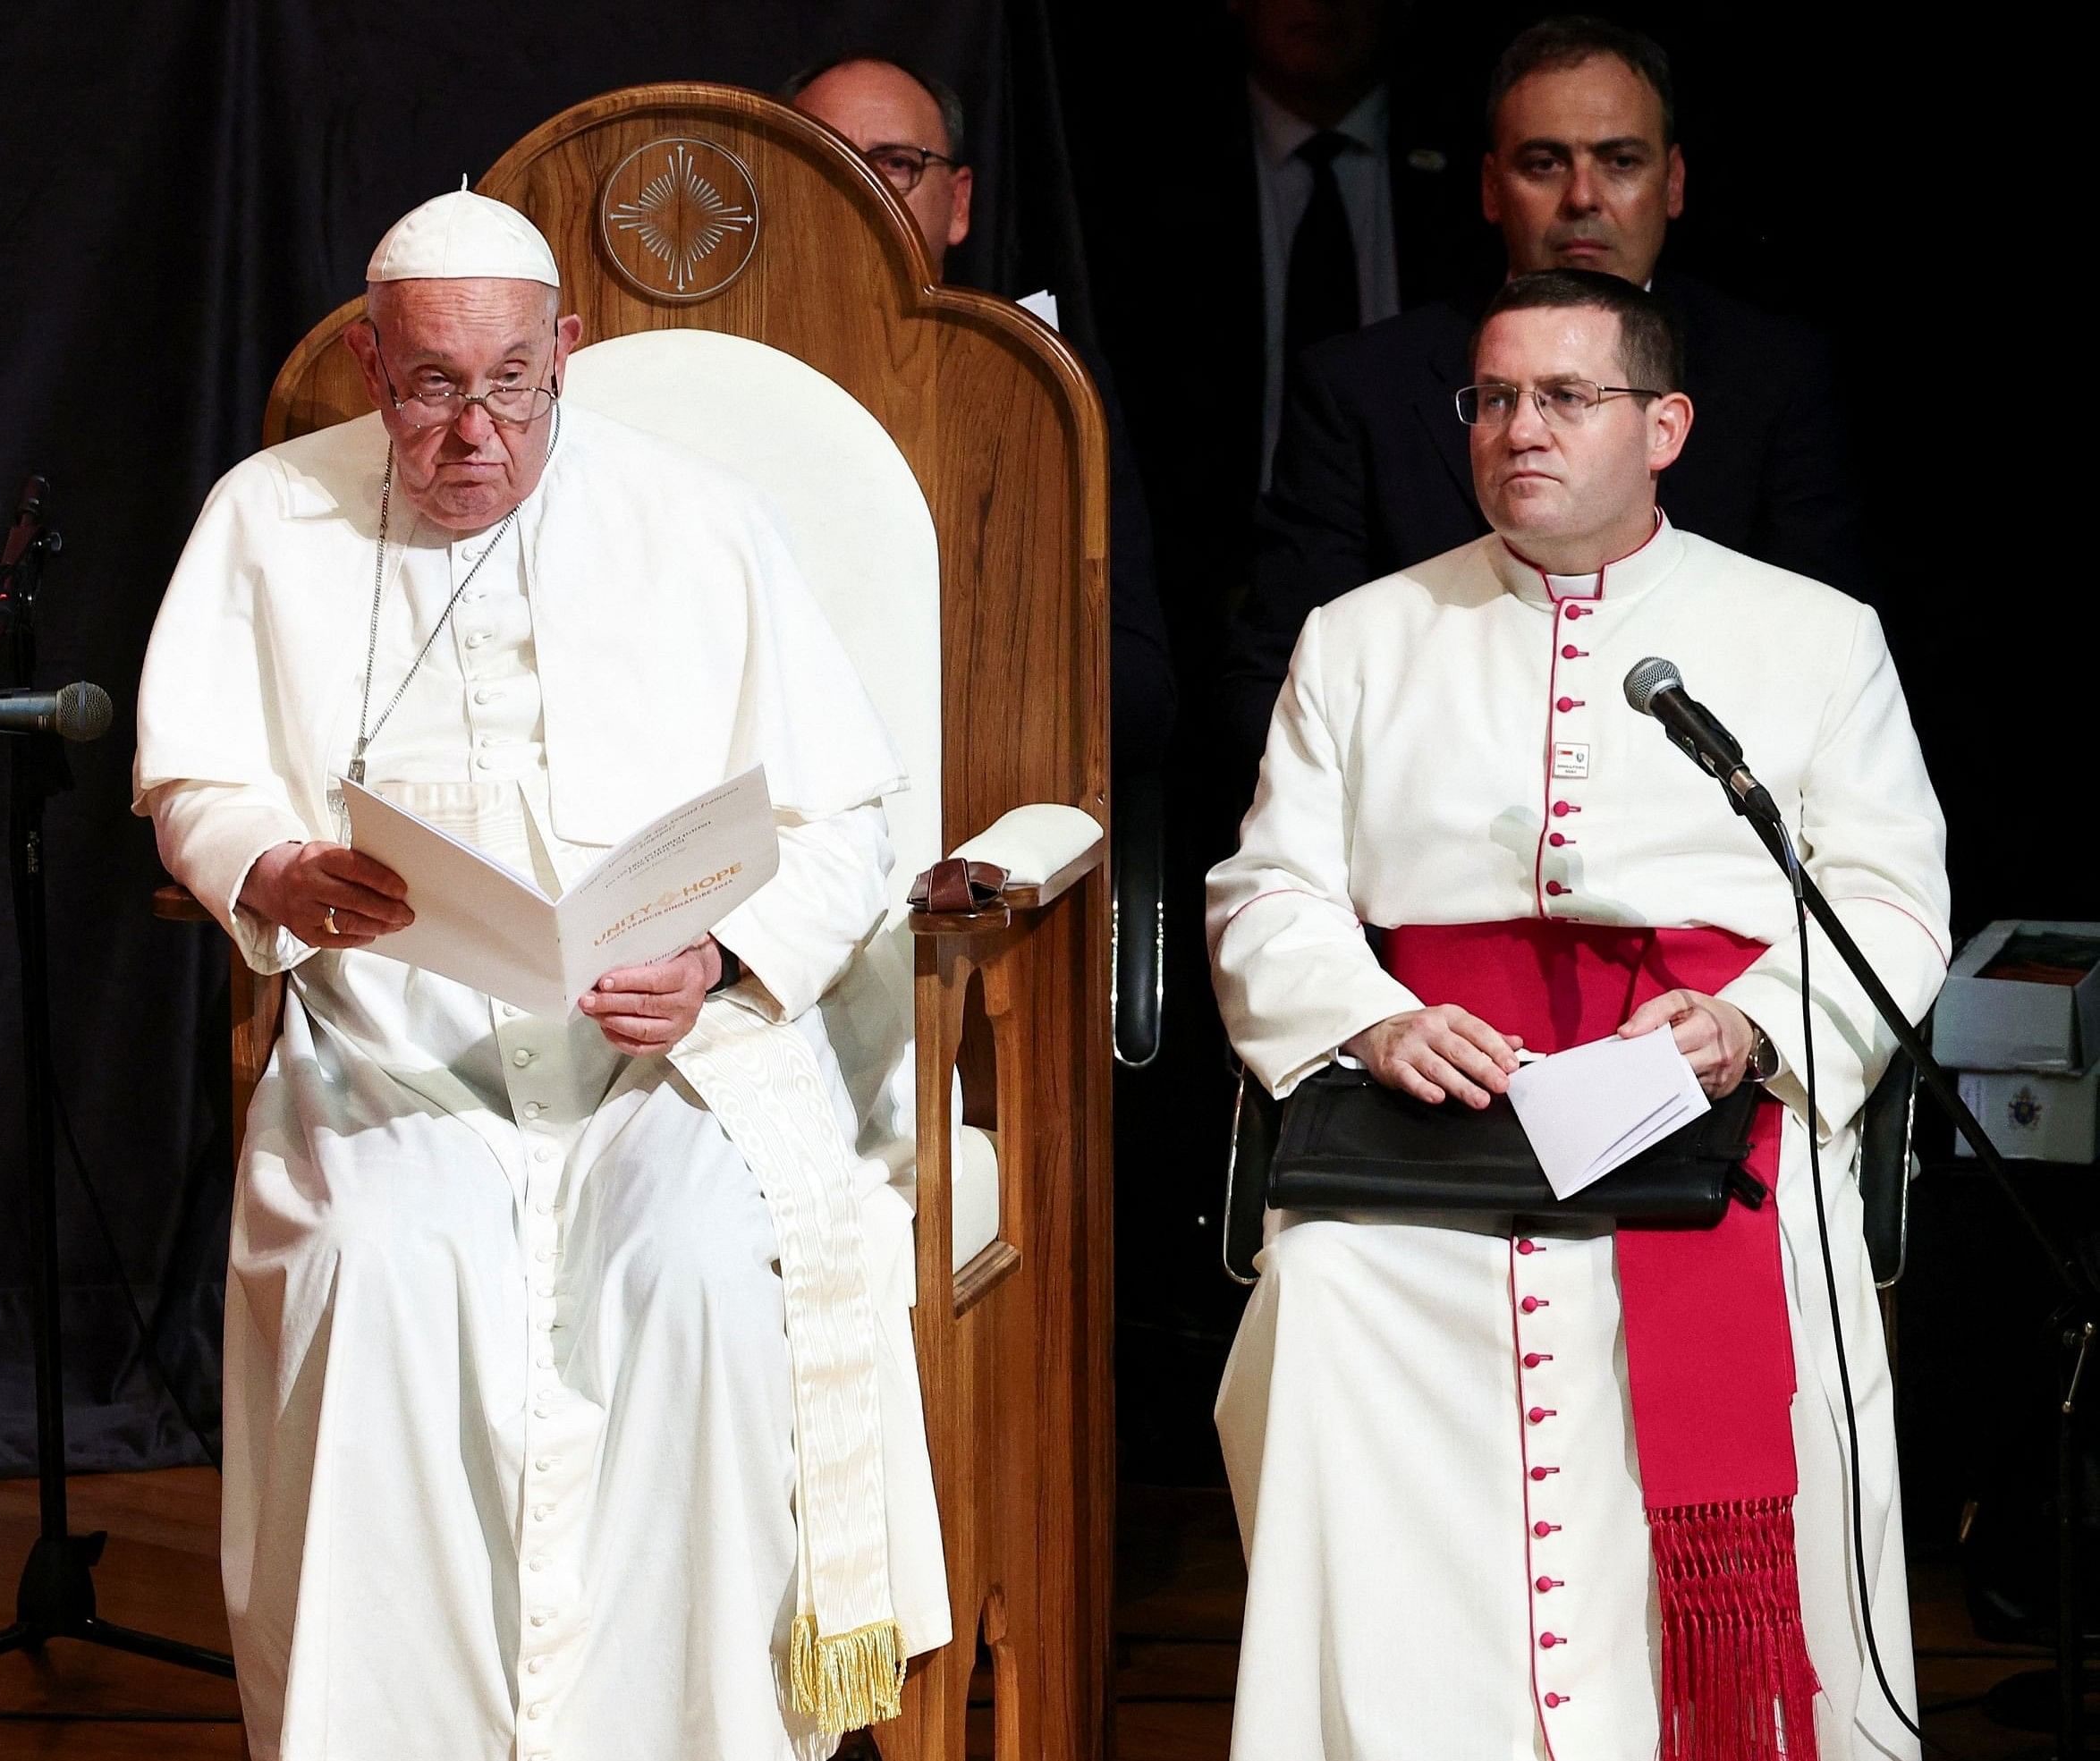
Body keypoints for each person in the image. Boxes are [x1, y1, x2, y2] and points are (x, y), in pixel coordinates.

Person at [133, 189, 946, 1760]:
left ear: (568, 351)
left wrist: (718, 954)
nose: (473, 431)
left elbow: (845, 811)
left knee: (705, 1277)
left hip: (669, 1062)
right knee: (383, 1269)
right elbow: (197, 784)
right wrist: (276, 869)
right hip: (396, 1052)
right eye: (434, 386)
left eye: (512, 383)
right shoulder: (266, 514)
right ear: (373, 369)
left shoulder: (698, 519)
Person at [1206, 269, 1943, 1757]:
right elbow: (1263, 890)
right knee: (1329, 1293)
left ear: (1665, 424)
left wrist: (1752, 1026)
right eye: (1492, 397)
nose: (1517, 429)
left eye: (1564, 397)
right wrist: (1372, 1016)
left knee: (1789, 1288)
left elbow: (1892, 905)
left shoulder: (1816, 633)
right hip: (1435, 1121)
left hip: (1709, 1114)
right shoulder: (1358, 637)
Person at [1225, 14, 1867, 767]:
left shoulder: (1774, 377)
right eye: (1544, 163)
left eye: (1621, 161)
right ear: (1493, 188)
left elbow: (1823, 663)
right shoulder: (1363, 388)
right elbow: (1273, 681)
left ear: (1675, 182)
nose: (1583, 198)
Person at [784, 51, 1177, 776]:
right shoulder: (717, 377)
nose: (863, 190)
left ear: (959, 203)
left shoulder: (1045, 392)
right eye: (826, 160)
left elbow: (1136, 689)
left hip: (982, 799)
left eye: (896, 162)